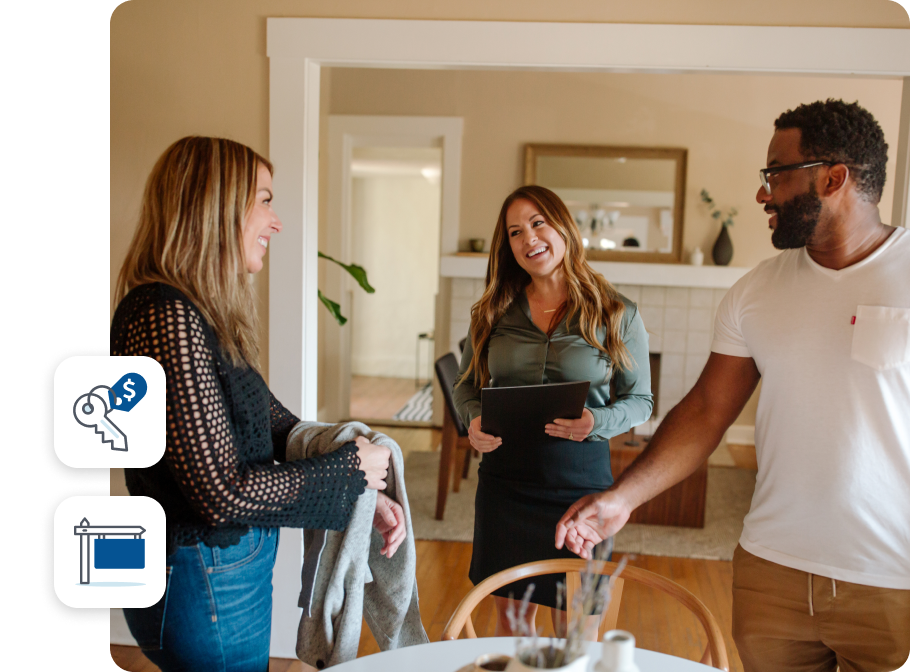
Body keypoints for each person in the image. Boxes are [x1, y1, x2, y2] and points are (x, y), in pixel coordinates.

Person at [556, 99, 910, 671]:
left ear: (834, 177)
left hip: (893, 579)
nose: (762, 194)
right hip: (772, 574)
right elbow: (705, 412)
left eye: (776, 174)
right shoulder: (755, 292)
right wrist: (623, 498)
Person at [111, 136, 405, 672]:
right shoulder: (164, 314)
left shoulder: (197, 313)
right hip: (202, 569)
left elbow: (274, 425)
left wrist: (366, 489)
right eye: (265, 200)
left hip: (216, 568)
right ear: (215, 205)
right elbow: (220, 495)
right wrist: (346, 469)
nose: (276, 221)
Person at [453, 185, 653, 635]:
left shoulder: (616, 312)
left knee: (577, 632)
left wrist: (595, 421)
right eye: (515, 231)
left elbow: (641, 401)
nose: (529, 239)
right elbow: (465, 387)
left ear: (563, 226)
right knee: (513, 627)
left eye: (538, 223)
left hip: (580, 491)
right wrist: (473, 420)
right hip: (505, 489)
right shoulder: (491, 312)